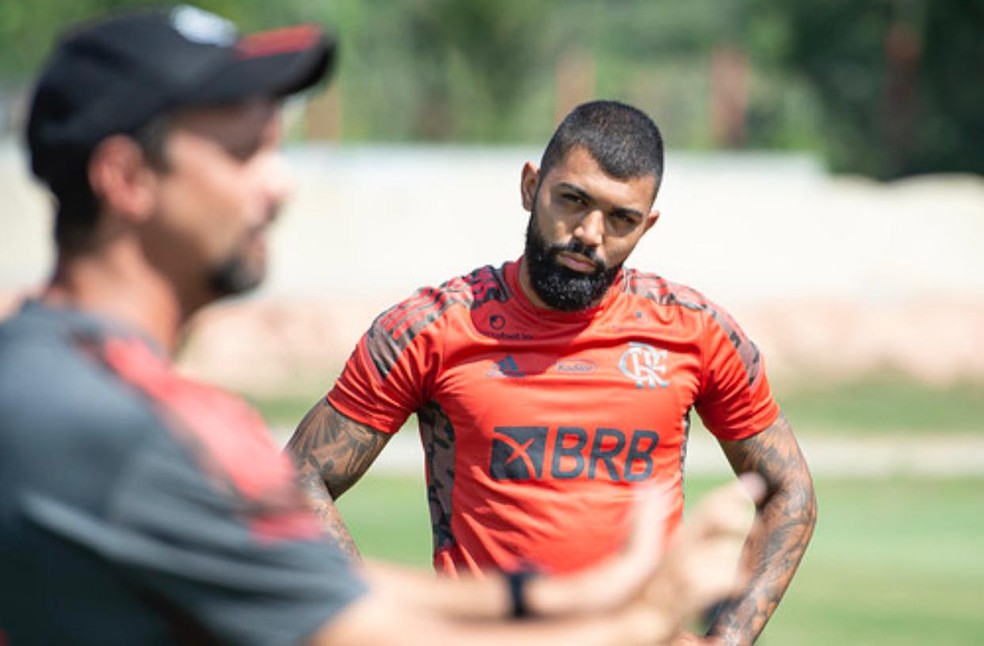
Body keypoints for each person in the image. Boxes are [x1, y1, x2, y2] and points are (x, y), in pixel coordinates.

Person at [0, 6, 765, 645]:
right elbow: (357, 628)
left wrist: (610, 587)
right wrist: (646, 617)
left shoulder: (42, 377)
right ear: (127, 179)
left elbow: (339, 600)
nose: (280, 182)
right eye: (243, 153)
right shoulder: (132, 430)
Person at [287, 99, 818, 644]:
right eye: (573, 199)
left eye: (621, 219)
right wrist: (372, 624)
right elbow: (297, 480)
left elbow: (790, 490)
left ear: (647, 225)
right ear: (529, 187)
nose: (590, 232)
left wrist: (724, 640)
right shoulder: (431, 329)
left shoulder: (696, 333)